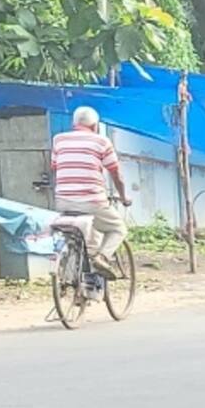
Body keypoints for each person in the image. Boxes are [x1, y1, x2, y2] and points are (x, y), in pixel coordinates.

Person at [49, 106, 128, 280]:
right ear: (95, 126)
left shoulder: (59, 140)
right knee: (118, 228)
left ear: (74, 124)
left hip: (63, 201)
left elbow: (55, 167)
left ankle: (73, 280)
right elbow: (116, 173)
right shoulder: (102, 142)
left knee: (79, 237)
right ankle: (102, 257)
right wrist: (123, 197)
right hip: (92, 201)